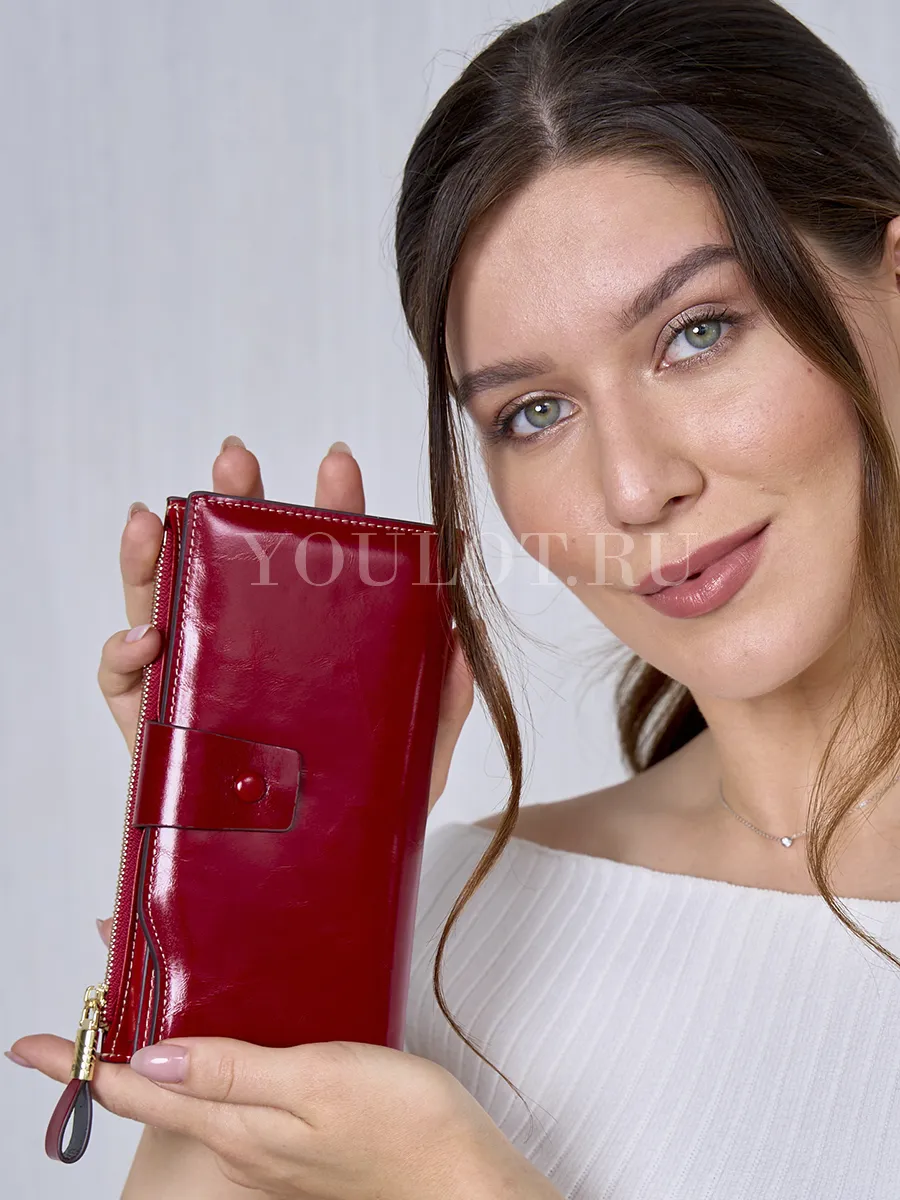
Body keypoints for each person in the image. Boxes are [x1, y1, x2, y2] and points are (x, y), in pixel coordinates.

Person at [10, 0, 900, 1194]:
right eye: (535, 411)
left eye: (697, 333)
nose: (634, 488)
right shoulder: (443, 926)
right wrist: (282, 893)